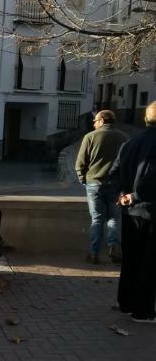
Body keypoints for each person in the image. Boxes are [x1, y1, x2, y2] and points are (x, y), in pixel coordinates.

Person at [106, 100, 156, 323]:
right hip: (150, 210)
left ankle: (125, 303)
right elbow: (152, 178)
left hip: (129, 211)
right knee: (149, 263)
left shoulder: (130, 143)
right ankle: (142, 311)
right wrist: (135, 196)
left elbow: (114, 174)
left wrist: (121, 195)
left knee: (131, 260)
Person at [75, 109, 128, 264]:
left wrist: (83, 179)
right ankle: (114, 247)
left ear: (102, 120)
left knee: (97, 218)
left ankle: (93, 253)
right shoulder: (124, 138)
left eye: (96, 121)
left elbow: (80, 162)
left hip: (94, 183)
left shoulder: (90, 137)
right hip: (116, 186)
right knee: (114, 218)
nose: (95, 124)